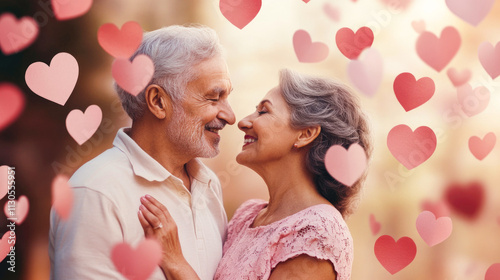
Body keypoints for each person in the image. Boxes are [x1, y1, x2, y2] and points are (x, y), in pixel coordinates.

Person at [138, 69, 372, 279]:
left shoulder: (317, 231)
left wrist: (176, 263)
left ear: (305, 134)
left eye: (263, 112)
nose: (243, 122)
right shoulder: (246, 216)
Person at [49, 25, 235, 280]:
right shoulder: (95, 193)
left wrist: (178, 267)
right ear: (158, 102)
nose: (230, 116)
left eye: (226, 97)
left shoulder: (209, 184)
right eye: (213, 98)